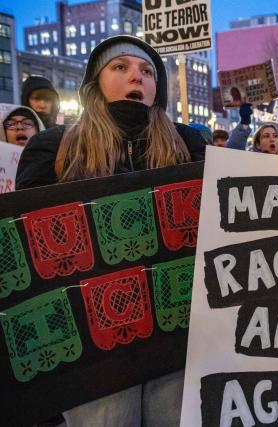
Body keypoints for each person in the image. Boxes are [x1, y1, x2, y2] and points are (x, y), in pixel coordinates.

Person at [16, 35, 206, 427]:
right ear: (94, 84)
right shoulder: (53, 147)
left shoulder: (188, 144)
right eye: (120, 67)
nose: (136, 76)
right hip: (94, 352)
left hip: (177, 337)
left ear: (158, 89)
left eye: (148, 71)